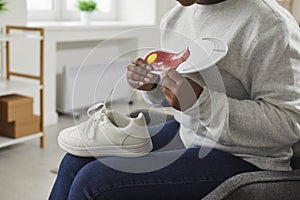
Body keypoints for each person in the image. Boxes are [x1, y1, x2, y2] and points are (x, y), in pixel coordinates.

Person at [49, 0, 300, 199]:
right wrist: (153, 87)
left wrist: (201, 102)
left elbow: (289, 124)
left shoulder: (269, 24)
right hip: (189, 135)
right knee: (75, 160)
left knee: (92, 182)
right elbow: (174, 100)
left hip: (246, 157)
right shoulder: (175, 18)